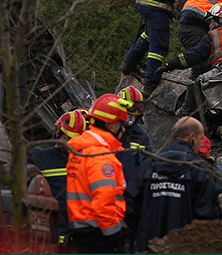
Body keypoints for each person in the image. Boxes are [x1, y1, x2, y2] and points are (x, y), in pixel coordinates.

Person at [124, 117, 222, 252]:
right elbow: (208, 214)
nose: (200, 145)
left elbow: (130, 206)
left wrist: (138, 238)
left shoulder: (148, 165)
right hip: (185, 248)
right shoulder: (200, 170)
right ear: (192, 137)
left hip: (147, 245)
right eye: (200, 139)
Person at [157, 3, 222, 126]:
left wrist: (169, 65)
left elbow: (193, 55)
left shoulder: (213, 36)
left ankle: (187, 113)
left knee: (196, 83)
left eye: (212, 21)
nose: (210, 25)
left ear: (220, 18)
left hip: (220, 73)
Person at [66, 93, 130, 253]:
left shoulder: (81, 150)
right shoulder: (101, 157)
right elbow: (103, 203)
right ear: (112, 126)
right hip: (101, 236)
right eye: (122, 125)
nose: (123, 130)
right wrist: (114, 235)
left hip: (81, 231)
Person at [28, 109, 89, 248]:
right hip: (47, 233)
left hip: (77, 234)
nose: (73, 145)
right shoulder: (38, 155)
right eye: (70, 139)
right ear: (58, 133)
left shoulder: (85, 159)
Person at [116, 86, 152, 183]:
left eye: (137, 110)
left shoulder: (140, 135)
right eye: (130, 109)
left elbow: (149, 165)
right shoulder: (109, 132)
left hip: (132, 191)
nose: (132, 116)